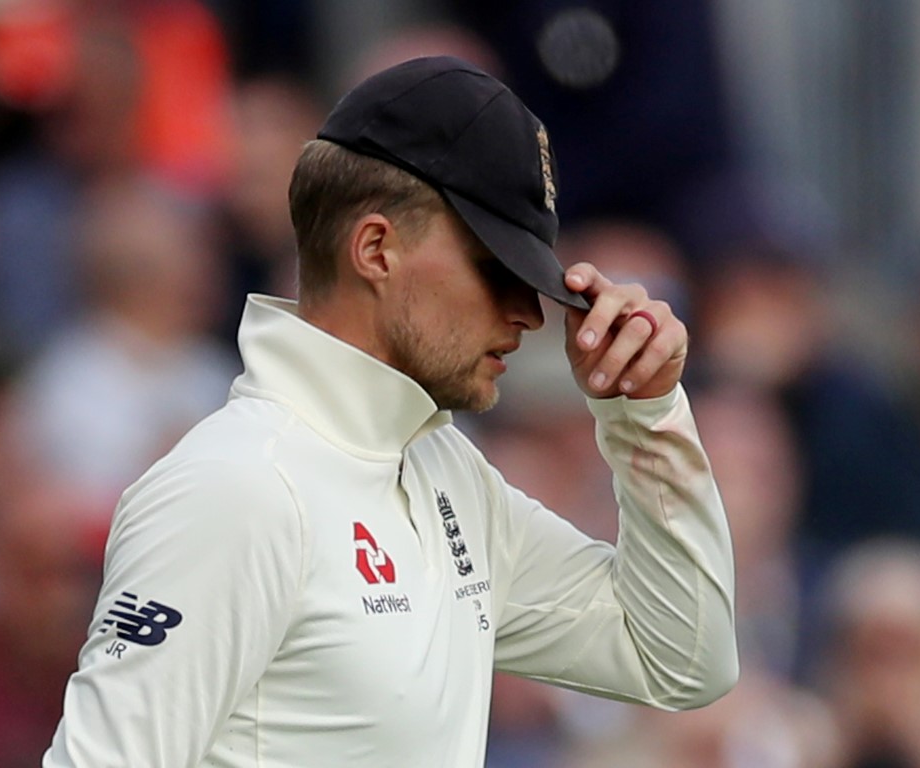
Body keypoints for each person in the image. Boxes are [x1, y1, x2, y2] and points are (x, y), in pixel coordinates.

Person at [43, 56, 738, 767]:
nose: (527, 313)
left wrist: (645, 416)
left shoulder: (446, 471)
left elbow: (680, 660)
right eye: (496, 268)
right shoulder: (237, 488)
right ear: (376, 248)